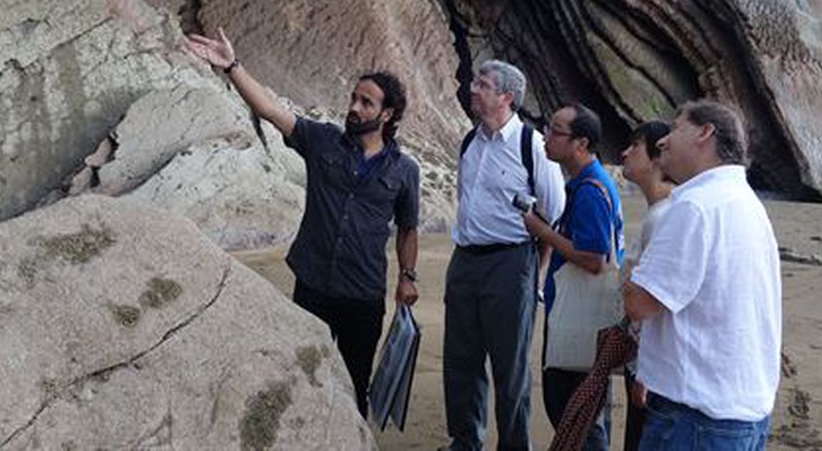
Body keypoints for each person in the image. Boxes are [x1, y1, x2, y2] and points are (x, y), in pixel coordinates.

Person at [185, 28, 421, 418]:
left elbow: (409, 228)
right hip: (313, 284)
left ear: (387, 114)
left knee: (354, 386)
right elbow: (272, 111)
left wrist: (408, 275)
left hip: (362, 293)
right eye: (354, 98)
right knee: (300, 377)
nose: (355, 107)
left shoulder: (404, 170)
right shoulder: (324, 140)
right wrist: (233, 67)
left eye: (367, 102)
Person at [622, 101, 781, 451]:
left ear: (705, 133)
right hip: (739, 411)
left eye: (676, 128)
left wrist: (630, 268)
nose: (663, 141)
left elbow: (640, 303)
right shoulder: (746, 202)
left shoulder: (695, 206)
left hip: (695, 419)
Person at [443, 60, 566, 451]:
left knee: (509, 368)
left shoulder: (531, 146)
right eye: (475, 81)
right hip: (465, 259)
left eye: (483, 84)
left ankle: (514, 446)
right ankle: (466, 442)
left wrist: (540, 272)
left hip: (511, 263)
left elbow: (555, 212)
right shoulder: (469, 142)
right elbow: (466, 200)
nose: (473, 87)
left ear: (506, 97)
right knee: (460, 359)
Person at [520, 103, 623, 451]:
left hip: (579, 318)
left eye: (555, 131)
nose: (546, 136)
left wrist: (542, 231)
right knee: (581, 408)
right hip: (582, 316)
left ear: (580, 143)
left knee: (573, 408)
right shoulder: (587, 184)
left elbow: (594, 259)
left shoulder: (591, 191)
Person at [617, 120, 675, 451]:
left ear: (657, 157)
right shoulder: (658, 213)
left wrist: (645, 371)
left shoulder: (664, 217)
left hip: (649, 366)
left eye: (635, 146)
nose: (625, 152)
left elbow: (653, 303)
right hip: (644, 361)